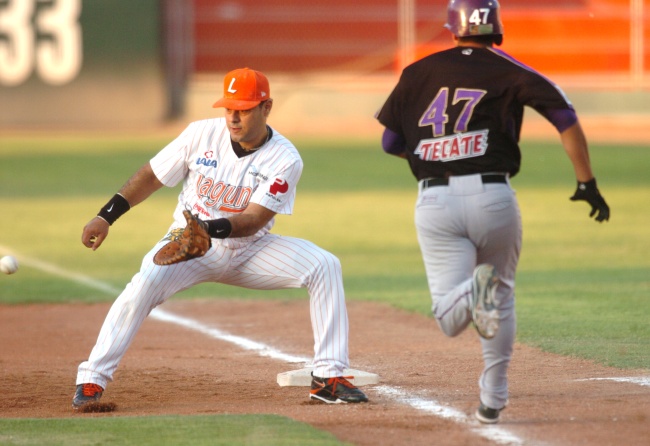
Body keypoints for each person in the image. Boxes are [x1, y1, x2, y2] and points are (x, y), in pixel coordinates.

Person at [73, 67, 368, 409]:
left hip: (249, 250)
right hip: (187, 245)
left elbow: (254, 219)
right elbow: (152, 176)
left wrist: (208, 229)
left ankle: (329, 378)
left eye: (243, 109)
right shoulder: (200, 134)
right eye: (229, 108)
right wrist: (106, 216)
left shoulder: (285, 159)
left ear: (266, 107)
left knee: (324, 265)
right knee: (142, 286)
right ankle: (92, 379)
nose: (233, 117)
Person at [375, 0, 609, 424]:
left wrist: (433, 154)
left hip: (436, 201)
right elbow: (565, 117)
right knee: (500, 297)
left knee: (450, 319)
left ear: (453, 28)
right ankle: (493, 399)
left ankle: (473, 291)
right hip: (494, 198)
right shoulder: (511, 69)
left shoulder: (418, 71)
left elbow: (390, 143)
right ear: (495, 28)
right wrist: (586, 182)